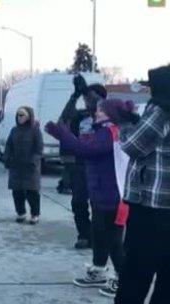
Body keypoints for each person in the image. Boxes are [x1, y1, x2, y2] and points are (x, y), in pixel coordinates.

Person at [92, 64, 170, 304]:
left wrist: (125, 122)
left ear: (159, 89)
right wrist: (136, 121)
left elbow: (133, 146)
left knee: (138, 261)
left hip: (151, 200)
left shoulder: (163, 111)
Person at [47, 99, 134, 299]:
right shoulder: (107, 131)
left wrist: (62, 134)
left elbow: (84, 149)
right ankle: (99, 269)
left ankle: (123, 279)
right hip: (103, 192)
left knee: (112, 239)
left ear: (110, 114)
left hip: (110, 194)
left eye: (101, 111)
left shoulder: (108, 132)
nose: (96, 113)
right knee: (100, 234)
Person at [59, 75, 108, 249]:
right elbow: (64, 119)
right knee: (78, 202)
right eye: (86, 98)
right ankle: (84, 234)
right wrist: (75, 96)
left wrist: (90, 92)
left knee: (98, 205)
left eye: (90, 98)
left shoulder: (107, 116)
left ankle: (97, 236)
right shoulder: (81, 116)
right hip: (80, 164)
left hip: (101, 167)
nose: (88, 101)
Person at [3, 106, 43, 225]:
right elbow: (9, 145)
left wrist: (33, 161)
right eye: (18, 115)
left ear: (28, 117)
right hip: (16, 166)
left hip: (30, 167)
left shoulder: (35, 131)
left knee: (32, 192)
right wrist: (7, 158)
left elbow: (39, 148)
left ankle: (35, 214)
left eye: (22, 115)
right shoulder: (14, 130)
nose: (19, 118)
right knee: (17, 192)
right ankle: (21, 213)